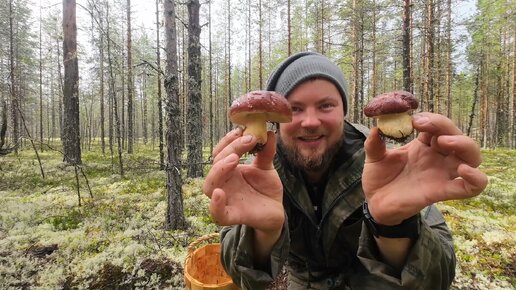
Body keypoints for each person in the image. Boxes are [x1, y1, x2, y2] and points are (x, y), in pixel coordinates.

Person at [202, 51, 487, 289]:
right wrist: (263, 234)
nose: (311, 121)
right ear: (275, 118)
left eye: (326, 105)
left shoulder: (391, 165)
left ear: (343, 111)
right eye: (296, 108)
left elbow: (439, 279)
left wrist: (394, 226)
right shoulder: (261, 174)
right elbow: (243, 278)